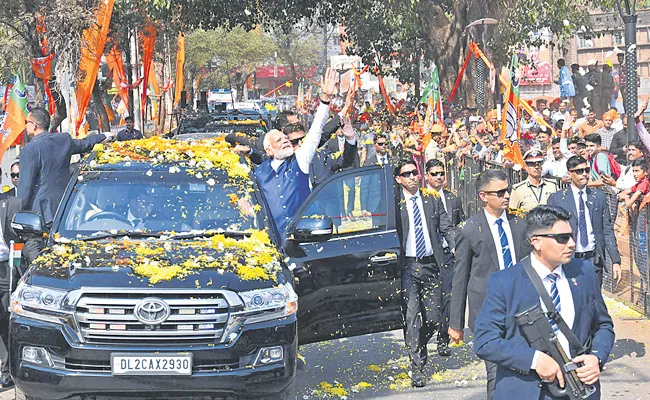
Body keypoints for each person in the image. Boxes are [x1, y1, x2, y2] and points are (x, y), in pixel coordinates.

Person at [473, 205, 615, 400]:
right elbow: (485, 341)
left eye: (571, 236)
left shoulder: (584, 272)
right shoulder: (505, 282)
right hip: (525, 390)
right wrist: (534, 360)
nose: (572, 244)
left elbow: (603, 325)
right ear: (536, 242)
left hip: (578, 389)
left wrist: (596, 358)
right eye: (562, 238)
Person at [448, 169, 529, 400]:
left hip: (522, 310)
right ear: (484, 196)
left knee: (524, 371)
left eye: (508, 191)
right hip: (488, 313)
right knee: (496, 375)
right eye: (500, 192)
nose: (506, 196)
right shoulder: (470, 229)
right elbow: (460, 278)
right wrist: (456, 323)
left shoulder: (519, 224)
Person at [394, 159, 456, 387]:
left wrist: (455, 243)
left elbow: (446, 227)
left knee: (433, 317)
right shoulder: (395, 202)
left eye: (414, 172)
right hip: (408, 266)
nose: (411, 176)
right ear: (398, 179)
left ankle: (418, 347)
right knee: (411, 317)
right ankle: (416, 366)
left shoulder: (431, 199)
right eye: (406, 174)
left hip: (431, 264)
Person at [255, 68, 336, 234]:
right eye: (279, 140)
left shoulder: (299, 160)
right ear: (269, 150)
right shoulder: (258, 173)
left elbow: (315, 133)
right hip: (271, 240)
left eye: (286, 139)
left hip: (302, 237)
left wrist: (325, 100)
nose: (286, 141)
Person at [19, 107, 114, 226]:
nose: (25, 126)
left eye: (26, 122)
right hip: (66, 208)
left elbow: (25, 187)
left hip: (40, 213)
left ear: (33, 125)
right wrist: (103, 136)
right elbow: (84, 144)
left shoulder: (29, 150)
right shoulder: (63, 140)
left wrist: (18, 211)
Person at [547, 156, 622, 287]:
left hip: (593, 261)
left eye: (587, 170)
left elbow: (607, 230)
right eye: (579, 171)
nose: (585, 174)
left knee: (595, 302)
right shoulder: (557, 199)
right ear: (570, 174)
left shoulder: (598, 197)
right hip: (569, 261)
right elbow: (551, 233)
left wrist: (616, 261)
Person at [424, 158, 464, 358]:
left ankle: (443, 339)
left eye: (441, 173)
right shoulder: (422, 198)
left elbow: (459, 224)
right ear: (427, 176)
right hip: (429, 254)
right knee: (431, 300)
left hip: (450, 253)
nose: (439, 177)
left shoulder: (452, 199)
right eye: (434, 174)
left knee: (448, 297)